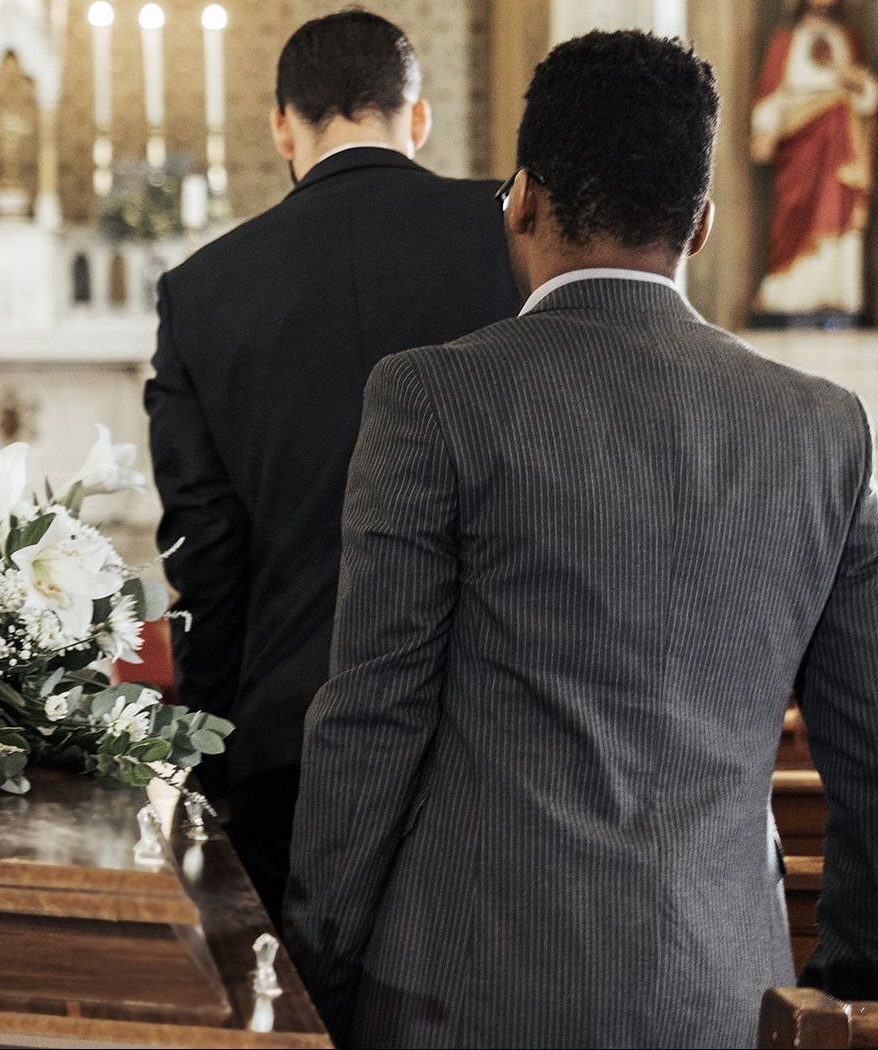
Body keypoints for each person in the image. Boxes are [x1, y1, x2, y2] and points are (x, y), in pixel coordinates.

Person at [287, 30, 878, 1048]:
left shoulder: (434, 397)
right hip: (727, 994)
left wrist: (316, 963)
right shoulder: (824, 427)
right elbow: (868, 745)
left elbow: (372, 718)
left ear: (521, 198)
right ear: (700, 226)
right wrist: (842, 983)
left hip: (464, 994)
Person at [144, 9, 519, 924]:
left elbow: (206, 553)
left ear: (283, 125)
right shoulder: (514, 233)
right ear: (416, 116)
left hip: (291, 733)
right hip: (497, 724)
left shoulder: (204, 289)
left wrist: (217, 753)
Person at [750, 0, 877, 321]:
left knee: (838, 214)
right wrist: (764, 129)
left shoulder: (846, 39)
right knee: (796, 210)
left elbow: (867, 101)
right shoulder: (785, 40)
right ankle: (787, 292)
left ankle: (836, 294)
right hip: (800, 142)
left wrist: (857, 82)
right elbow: (771, 92)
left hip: (840, 144)